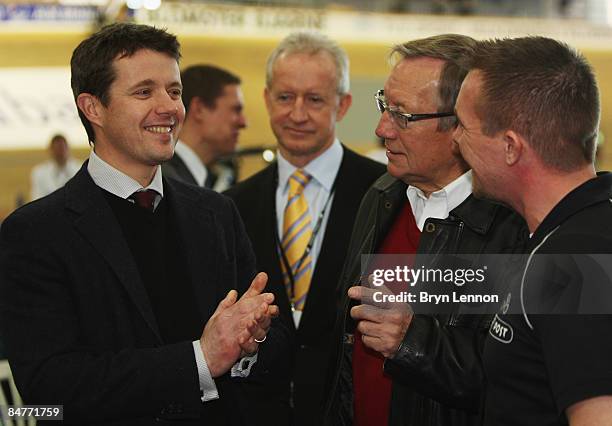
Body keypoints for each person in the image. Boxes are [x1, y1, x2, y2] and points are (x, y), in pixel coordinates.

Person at [0, 23, 286, 426]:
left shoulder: (217, 213)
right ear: (93, 108)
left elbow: (274, 347)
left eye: (174, 90)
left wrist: (250, 344)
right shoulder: (35, 233)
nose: (169, 107)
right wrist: (200, 360)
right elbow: (49, 387)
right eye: (144, 92)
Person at [323, 34, 527, 426]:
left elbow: (517, 379)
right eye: (385, 105)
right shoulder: (381, 197)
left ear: (461, 125)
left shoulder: (511, 225)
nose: (383, 129)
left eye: (404, 115)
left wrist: (413, 341)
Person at [225, 32, 386, 425]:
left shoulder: (385, 193)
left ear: (343, 105)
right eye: (285, 97)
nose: (297, 114)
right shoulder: (231, 204)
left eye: (314, 99)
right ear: (266, 99)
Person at [453, 36, 612, 425]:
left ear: (511, 146)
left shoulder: (569, 263)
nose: (454, 139)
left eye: (462, 124)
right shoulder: (577, 233)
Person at [162, 64, 247, 192]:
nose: (243, 122)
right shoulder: (165, 182)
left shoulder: (205, 180)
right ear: (199, 109)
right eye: (236, 110)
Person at [30, 133, 81, 200]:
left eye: (62, 148)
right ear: (50, 150)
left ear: (68, 149)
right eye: (56, 149)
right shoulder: (39, 172)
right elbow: (37, 198)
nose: (60, 153)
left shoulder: (81, 169)